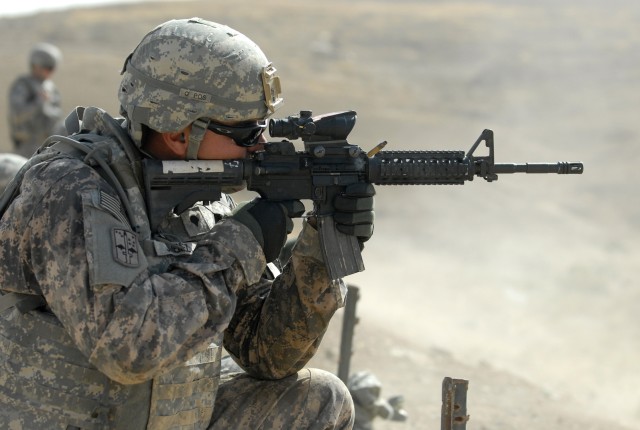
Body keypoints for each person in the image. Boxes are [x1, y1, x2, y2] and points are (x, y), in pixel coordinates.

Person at [0, 17, 375, 429]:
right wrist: (238, 247)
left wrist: (320, 249)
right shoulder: (68, 189)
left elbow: (268, 354)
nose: (261, 145)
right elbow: (128, 350)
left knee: (319, 398)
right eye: (248, 131)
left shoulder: (200, 201)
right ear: (180, 133)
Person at [7, 42, 65, 158]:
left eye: (52, 68)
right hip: (27, 147)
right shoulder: (23, 86)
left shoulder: (51, 89)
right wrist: (39, 103)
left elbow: (56, 115)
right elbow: (18, 115)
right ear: (35, 66)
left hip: (48, 145)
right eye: (48, 68)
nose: (50, 72)